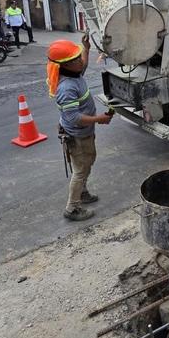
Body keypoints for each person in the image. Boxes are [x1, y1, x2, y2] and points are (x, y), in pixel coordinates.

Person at [48, 34, 114, 221]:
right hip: (77, 136)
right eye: (76, 59)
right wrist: (98, 119)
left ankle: (82, 193)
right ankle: (72, 208)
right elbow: (74, 117)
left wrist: (85, 48)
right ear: (66, 64)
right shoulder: (67, 87)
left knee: (87, 163)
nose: (81, 61)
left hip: (83, 134)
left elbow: (82, 65)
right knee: (80, 170)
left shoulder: (73, 72)